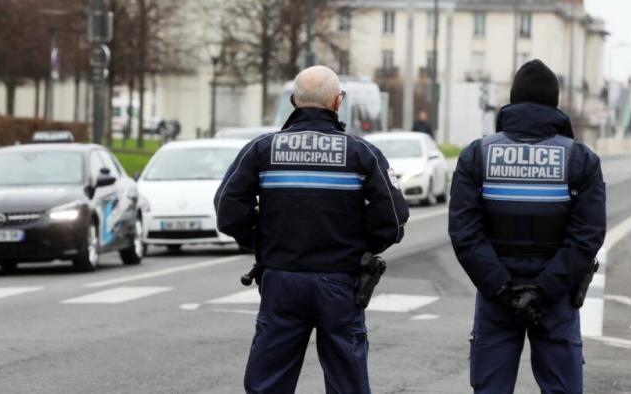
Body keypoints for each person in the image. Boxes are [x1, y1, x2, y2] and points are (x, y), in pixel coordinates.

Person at [215, 65, 409, 394]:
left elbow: (228, 211)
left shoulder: (262, 150)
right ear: (338, 102)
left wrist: (264, 243)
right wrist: (360, 247)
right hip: (340, 282)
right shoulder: (361, 153)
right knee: (347, 382)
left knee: (268, 382)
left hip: (282, 278)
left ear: (294, 101)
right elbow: (392, 218)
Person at [448, 59, 606, 394]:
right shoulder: (581, 159)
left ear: (512, 101)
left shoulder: (476, 155)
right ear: (555, 103)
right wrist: (545, 290)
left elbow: (465, 233)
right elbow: (587, 236)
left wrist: (503, 289)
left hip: (496, 298)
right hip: (556, 299)